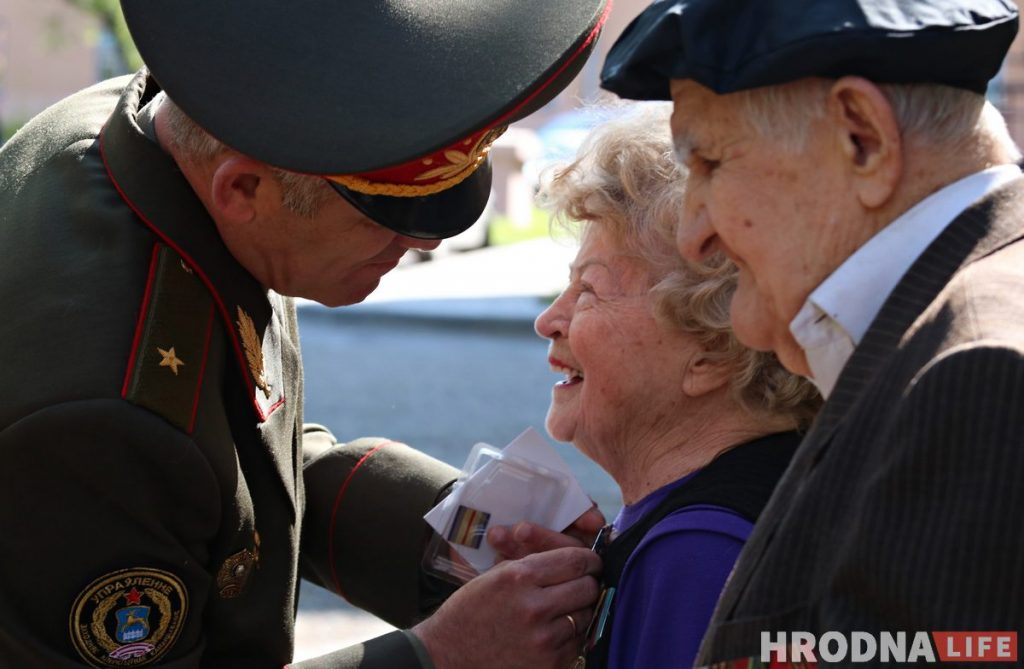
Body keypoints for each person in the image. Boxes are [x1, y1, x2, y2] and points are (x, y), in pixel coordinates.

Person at [0, 1, 612, 667]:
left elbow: (236, 469)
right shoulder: (107, 413)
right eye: (381, 213)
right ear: (244, 190)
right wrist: (438, 655)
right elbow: (167, 463)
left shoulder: (184, 135)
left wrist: (460, 531)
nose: (426, 238)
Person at [600, 0, 1024, 665]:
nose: (694, 234)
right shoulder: (947, 338)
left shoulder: (977, 374)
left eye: (709, 164)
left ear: (862, 137)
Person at [529, 103, 819, 669]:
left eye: (588, 290)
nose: (549, 320)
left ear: (712, 348)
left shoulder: (703, 555)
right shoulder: (740, 504)